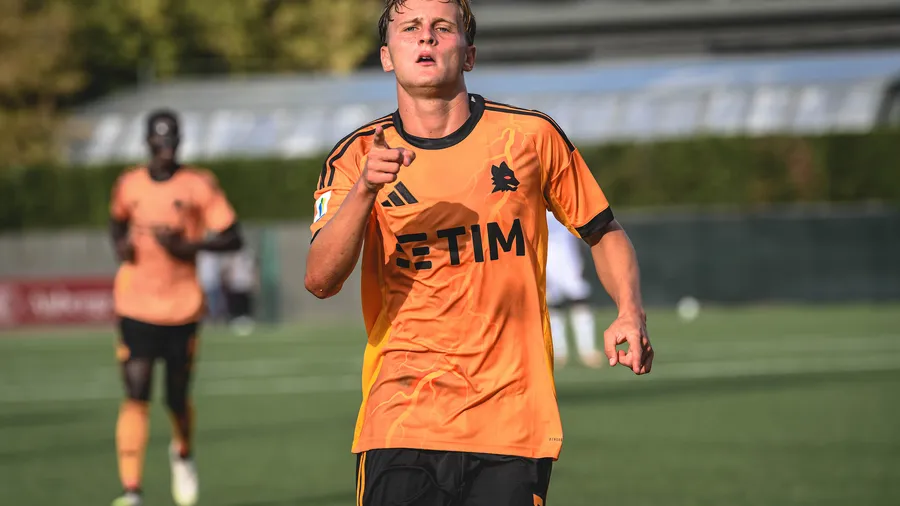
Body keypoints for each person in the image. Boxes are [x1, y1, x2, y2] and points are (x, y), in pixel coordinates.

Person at [305, 1, 654, 504]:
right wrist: (364, 190)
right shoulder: (356, 156)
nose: (426, 37)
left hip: (512, 419)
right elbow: (320, 280)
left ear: (468, 55)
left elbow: (604, 231)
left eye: (442, 27)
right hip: (401, 416)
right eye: (410, 27)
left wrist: (629, 311)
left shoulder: (530, 137)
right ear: (386, 56)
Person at [108, 109, 243, 506]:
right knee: (136, 391)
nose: (165, 147)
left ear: (180, 141)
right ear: (147, 141)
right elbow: (116, 222)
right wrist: (120, 245)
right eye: (159, 139)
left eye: (172, 139)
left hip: (182, 307)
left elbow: (233, 237)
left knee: (176, 397)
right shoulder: (129, 184)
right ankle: (131, 490)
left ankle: (183, 452)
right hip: (134, 304)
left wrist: (190, 247)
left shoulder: (198, 184)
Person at [545, 210, 605, 369]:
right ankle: (558, 352)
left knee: (580, 301)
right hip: (544, 259)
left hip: (568, 258)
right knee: (552, 304)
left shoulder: (563, 205)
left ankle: (587, 350)